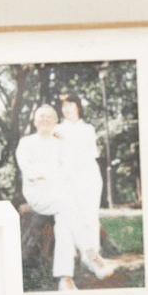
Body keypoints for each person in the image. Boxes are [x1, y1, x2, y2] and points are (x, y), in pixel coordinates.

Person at [15, 104, 113, 291]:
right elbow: (30, 172)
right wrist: (54, 169)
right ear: (35, 120)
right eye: (41, 116)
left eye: (49, 117)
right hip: (38, 196)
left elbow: (69, 170)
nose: (45, 119)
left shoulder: (61, 144)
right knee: (65, 202)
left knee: (64, 220)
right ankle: (90, 253)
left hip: (60, 195)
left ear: (56, 122)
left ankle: (65, 278)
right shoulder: (26, 143)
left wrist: (46, 172)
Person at [53, 93, 104, 253]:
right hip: (67, 179)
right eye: (63, 106)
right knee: (71, 218)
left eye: (70, 105)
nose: (66, 109)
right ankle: (73, 254)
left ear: (78, 107)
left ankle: (92, 256)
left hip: (89, 176)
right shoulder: (57, 130)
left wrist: (67, 142)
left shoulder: (88, 129)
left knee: (90, 218)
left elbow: (91, 154)